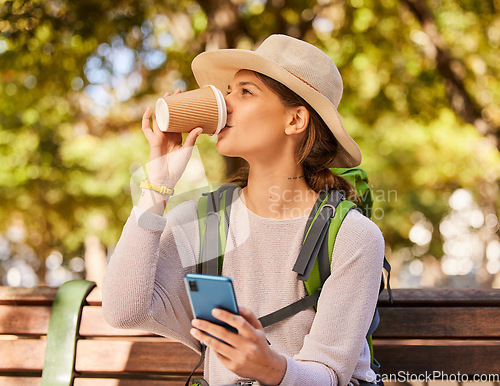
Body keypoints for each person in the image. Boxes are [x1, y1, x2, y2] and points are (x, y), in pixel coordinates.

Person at [102, 34, 384, 386]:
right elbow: (123, 311)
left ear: (296, 120)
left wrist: (269, 367)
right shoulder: (204, 222)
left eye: (245, 91)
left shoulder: (350, 236)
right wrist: (157, 183)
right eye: (228, 90)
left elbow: (330, 375)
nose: (224, 102)